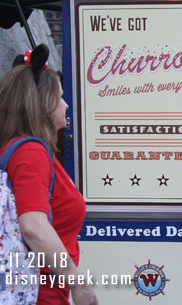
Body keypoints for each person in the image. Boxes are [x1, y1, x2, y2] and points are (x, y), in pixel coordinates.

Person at [0, 45, 98, 305]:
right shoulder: (31, 153)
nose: (66, 105)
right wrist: (79, 283)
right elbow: (33, 226)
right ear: (43, 103)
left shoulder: (18, 147)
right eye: (61, 97)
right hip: (38, 294)